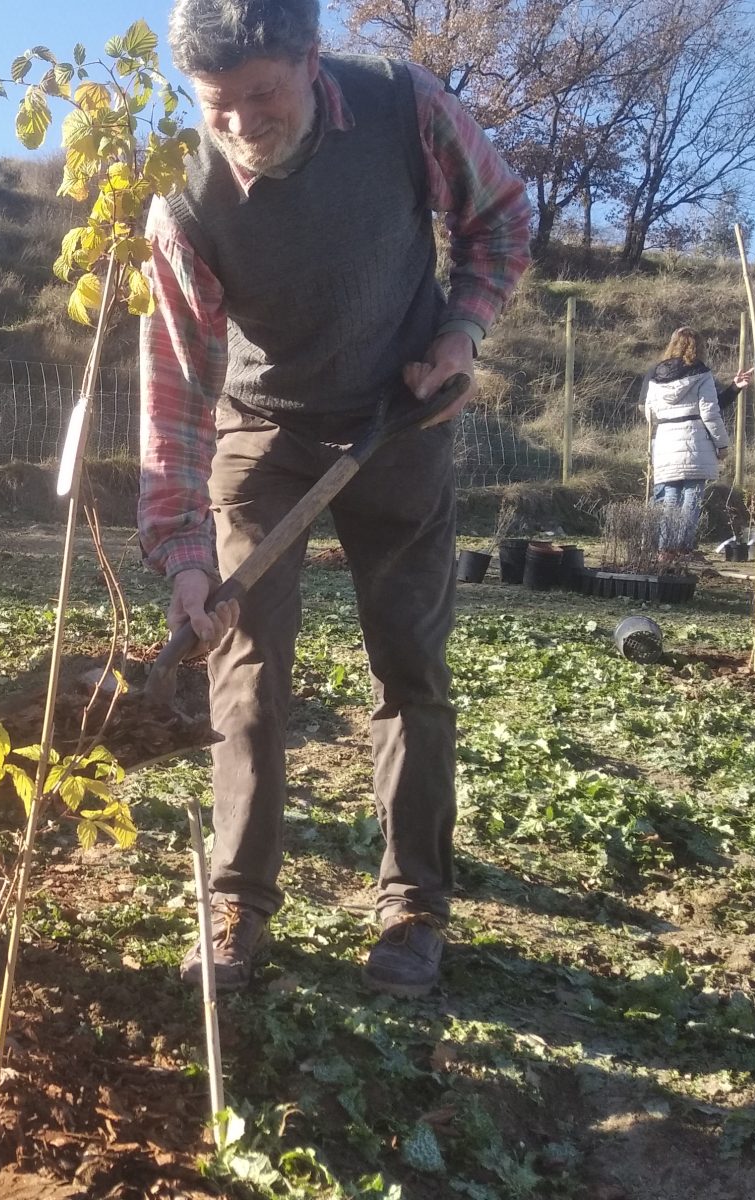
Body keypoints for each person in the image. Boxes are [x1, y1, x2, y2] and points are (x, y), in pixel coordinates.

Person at [141, 0, 533, 997]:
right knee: (244, 666)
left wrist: (460, 332)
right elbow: (175, 386)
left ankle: (412, 904)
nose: (239, 123)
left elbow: (497, 218)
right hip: (264, 432)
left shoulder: (405, 107)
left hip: (399, 414)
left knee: (409, 663)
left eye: (261, 93)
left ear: (312, 59)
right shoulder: (184, 201)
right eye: (215, 104)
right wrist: (184, 554)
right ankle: (237, 898)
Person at [642, 327, 740, 555]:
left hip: (665, 440)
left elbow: (649, 413)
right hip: (694, 441)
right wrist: (722, 444)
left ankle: (666, 549)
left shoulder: (656, 375)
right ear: (699, 347)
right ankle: (683, 547)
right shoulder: (701, 374)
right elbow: (710, 413)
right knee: (692, 497)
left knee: (670, 497)